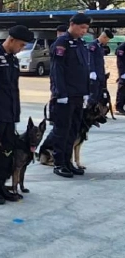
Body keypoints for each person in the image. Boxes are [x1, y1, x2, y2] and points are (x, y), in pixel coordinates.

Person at [0, 25, 30, 204]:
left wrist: (15, 115)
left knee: (6, 154)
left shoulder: (13, 60)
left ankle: (1, 186)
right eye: (21, 45)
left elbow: (13, 90)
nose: (22, 48)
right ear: (12, 40)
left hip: (9, 116)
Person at [47, 13, 92, 178]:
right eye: (81, 27)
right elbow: (57, 71)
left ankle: (68, 162)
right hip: (65, 96)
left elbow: (83, 70)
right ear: (72, 24)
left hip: (78, 94)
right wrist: (60, 93)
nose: (84, 31)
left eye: (86, 28)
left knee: (73, 130)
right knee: (62, 131)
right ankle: (59, 164)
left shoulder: (80, 43)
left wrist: (86, 92)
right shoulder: (61, 43)